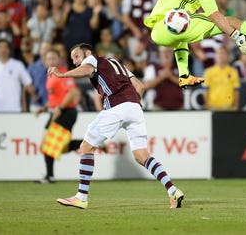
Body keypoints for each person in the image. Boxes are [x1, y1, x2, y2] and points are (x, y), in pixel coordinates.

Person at [49, 43, 184, 209]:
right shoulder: (116, 63)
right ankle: (173, 191)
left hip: (117, 106)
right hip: (135, 108)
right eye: (73, 59)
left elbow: (88, 70)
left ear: (88, 53)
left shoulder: (92, 60)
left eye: (77, 56)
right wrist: (132, 105)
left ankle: (81, 197)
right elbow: (140, 87)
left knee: (86, 147)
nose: (76, 62)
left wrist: (62, 75)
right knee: (142, 155)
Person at [35, 48, 82, 184]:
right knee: (50, 145)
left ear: (59, 60)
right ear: (44, 61)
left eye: (53, 58)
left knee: (52, 145)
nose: (51, 61)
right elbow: (56, 97)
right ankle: (50, 176)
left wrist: (60, 107)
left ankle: (50, 176)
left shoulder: (63, 73)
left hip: (66, 112)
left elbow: (72, 92)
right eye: (48, 59)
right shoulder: (50, 76)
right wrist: (44, 108)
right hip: (57, 111)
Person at [0, 39, 36, 112]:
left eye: (5, 47)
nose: (3, 50)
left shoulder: (18, 65)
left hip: (15, 109)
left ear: (9, 50)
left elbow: (28, 84)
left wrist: (34, 96)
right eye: (0, 47)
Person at [203, 46, 240, 111]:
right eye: (218, 53)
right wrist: (207, 106)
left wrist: (236, 106)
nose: (220, 55)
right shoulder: (208, 72)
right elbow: (206, 90)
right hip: (213, 107)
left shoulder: (233, 72)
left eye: (223, 53)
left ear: (228, 56)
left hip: (229, 107)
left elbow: (236, 90)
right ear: (215, 56)